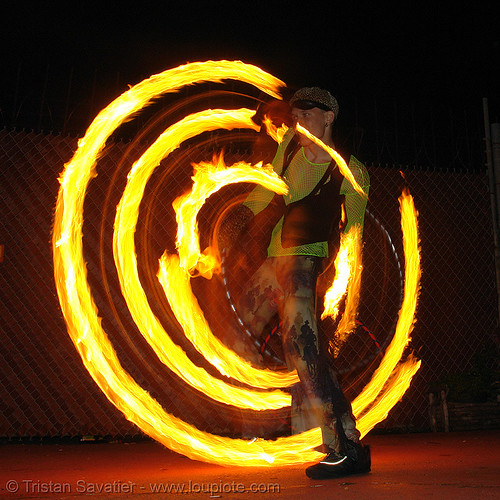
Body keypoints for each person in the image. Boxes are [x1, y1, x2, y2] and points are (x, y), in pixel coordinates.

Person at [222, 87, 371, 479]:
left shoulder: (352, 171)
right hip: (277, 258)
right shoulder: (288, 146)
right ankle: (263, 429)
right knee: (239, 332)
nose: (300, 118)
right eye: (296, 113)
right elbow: (264, 190)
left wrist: (343, 286)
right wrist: (236, 222)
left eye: (308, 112)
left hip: (306, 262)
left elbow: (354, 233)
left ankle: (338, 449)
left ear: (329, 117)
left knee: (301, 348)